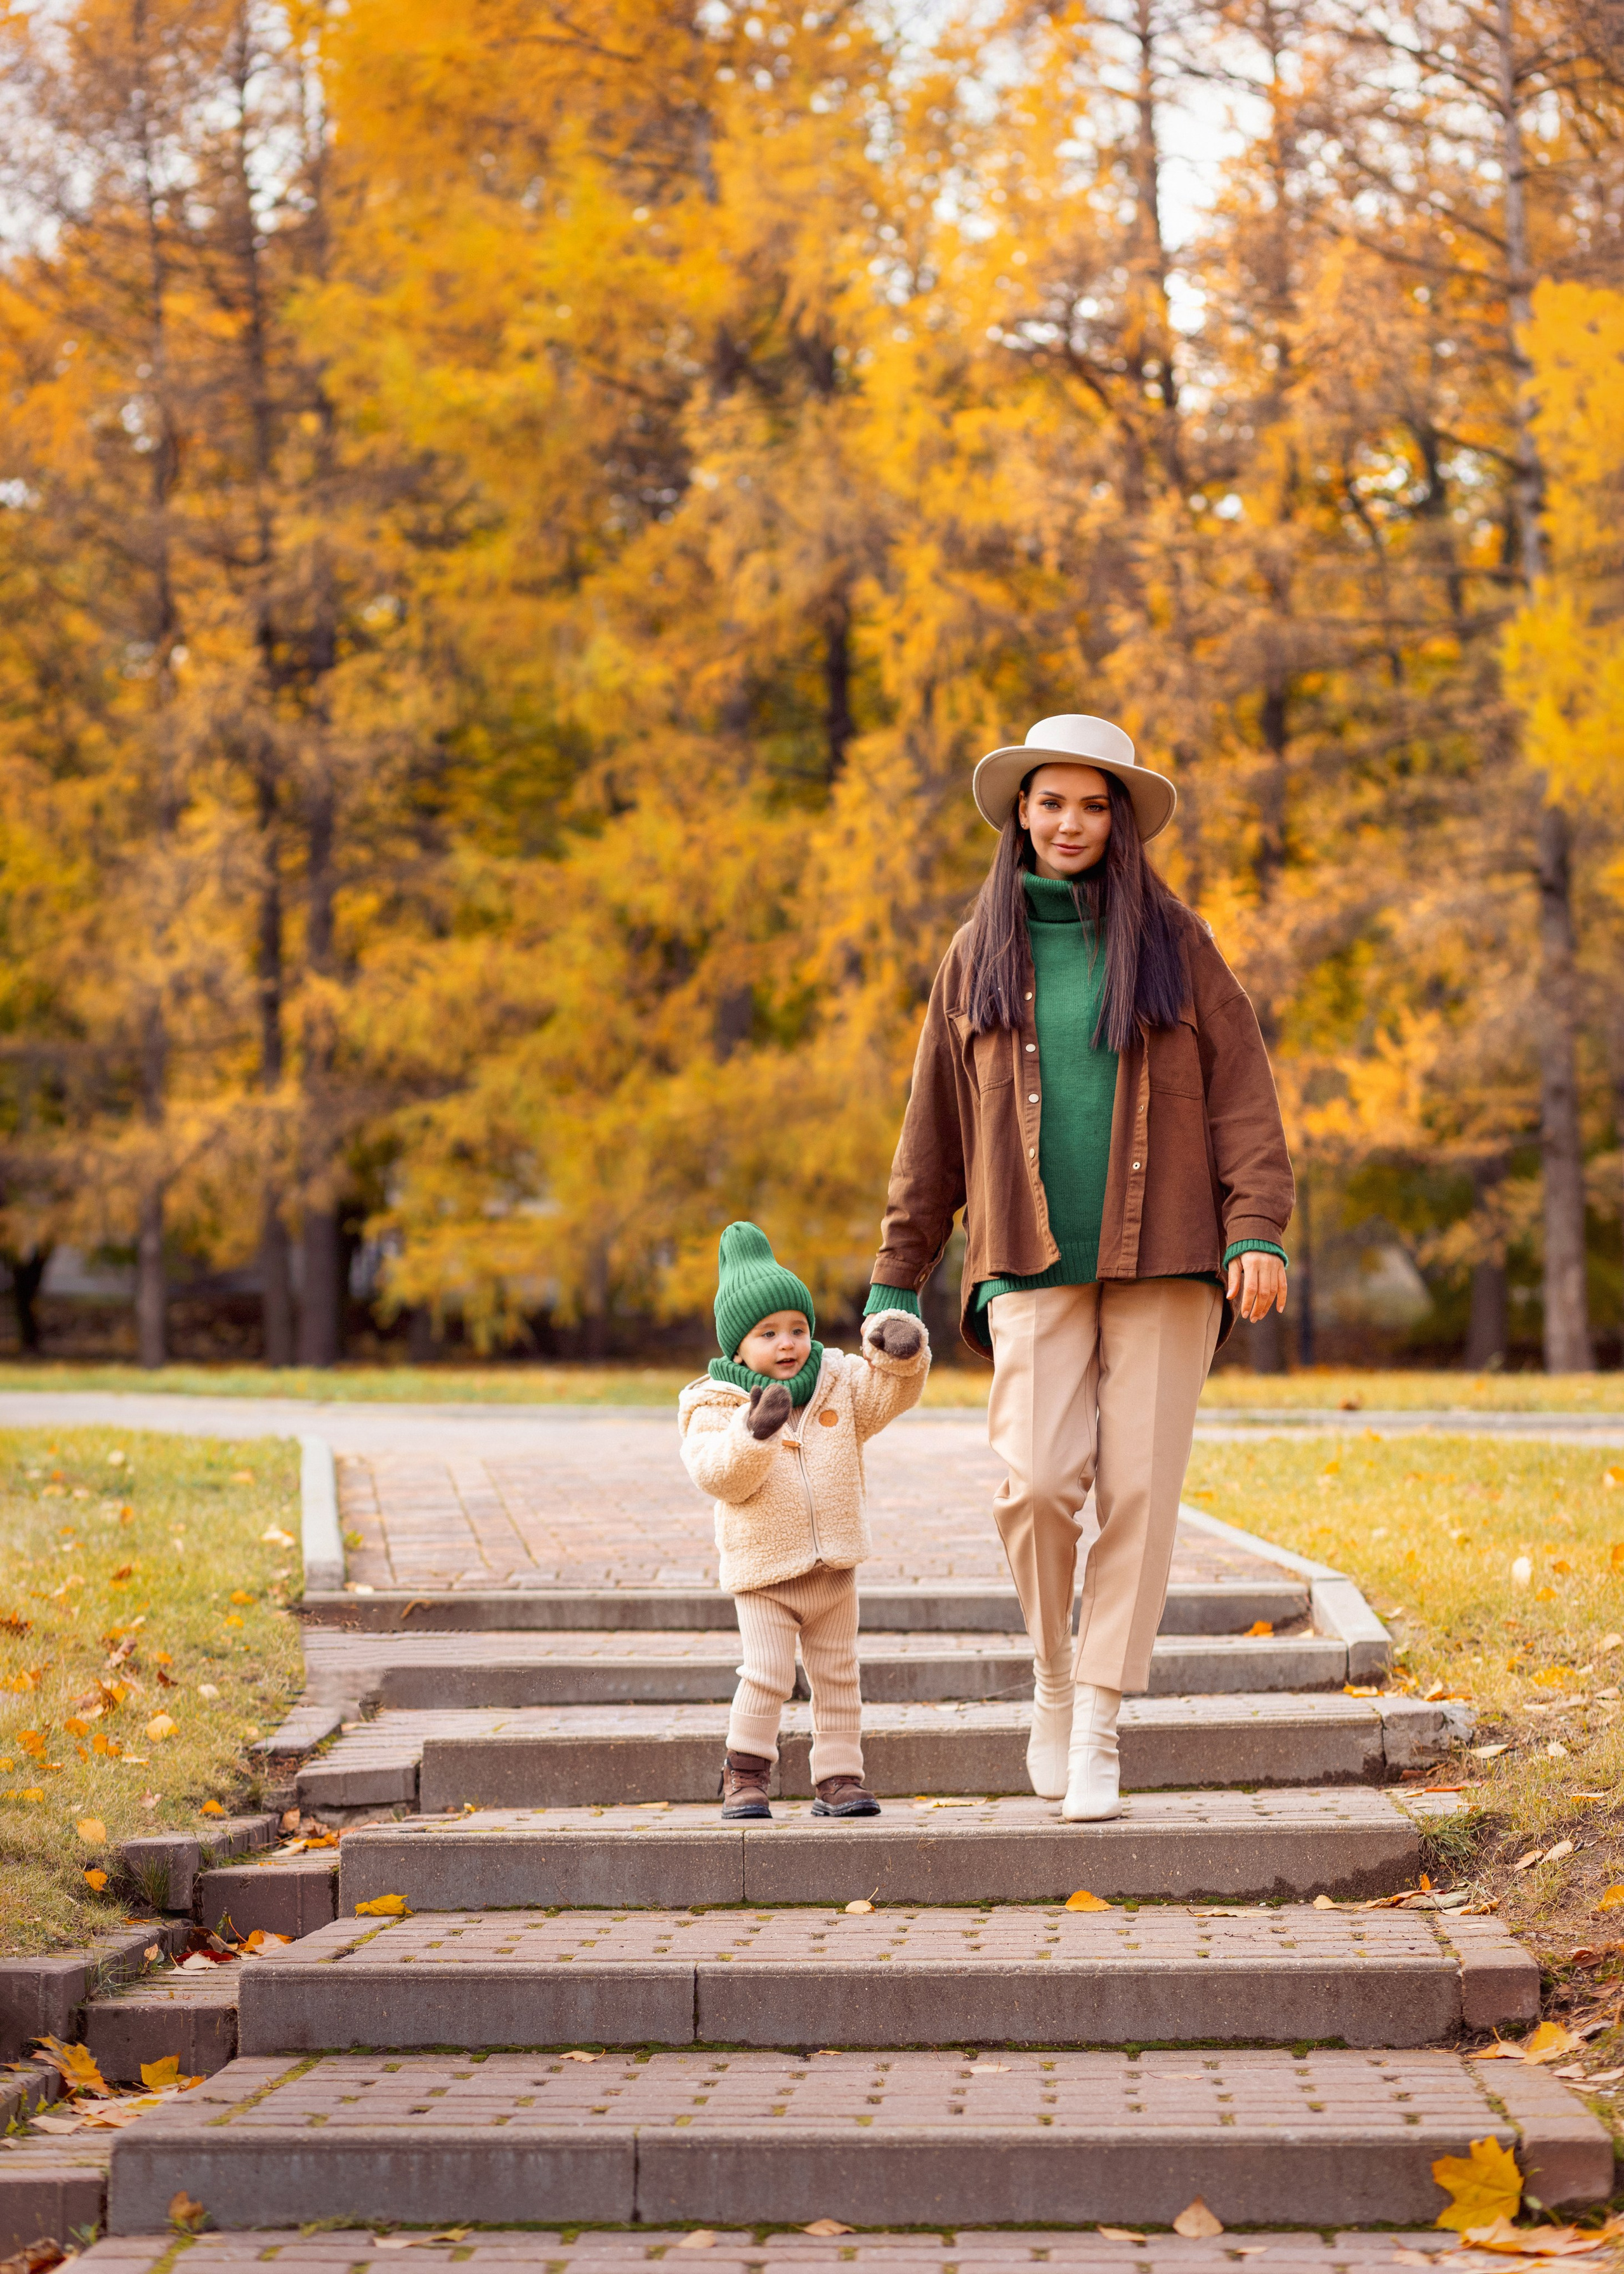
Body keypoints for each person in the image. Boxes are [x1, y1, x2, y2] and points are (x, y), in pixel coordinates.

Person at [863, 715, 1292, 1823]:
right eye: (1052, 801)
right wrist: (893, 1274)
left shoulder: (1177, 941)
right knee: (1039, 1483)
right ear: (1021, 811)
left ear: (1120, 820)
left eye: (1093, 805)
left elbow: (1243, 1082)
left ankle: (1099, 1716)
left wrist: (1257, 1225)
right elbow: (933, 1126)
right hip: (1029, 1257)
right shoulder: (976, 952)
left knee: (1141, 1493)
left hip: (1172, 1256)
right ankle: (1051, 1672)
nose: (1070, 822)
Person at [678, 1220, 931, 1821]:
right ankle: (744, 1773)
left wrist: (900, 1353)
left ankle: (840, 1778)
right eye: (768, 1333)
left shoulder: (838, 1383)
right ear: (737, 1347)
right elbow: (720, 1476)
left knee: (839, 1676)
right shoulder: (714, 1407)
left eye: (797, 1328)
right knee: (766, 1674)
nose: (787, 1343)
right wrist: (756, 1431)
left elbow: (889, 1395)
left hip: (833, 1565)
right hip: (765, 1571)